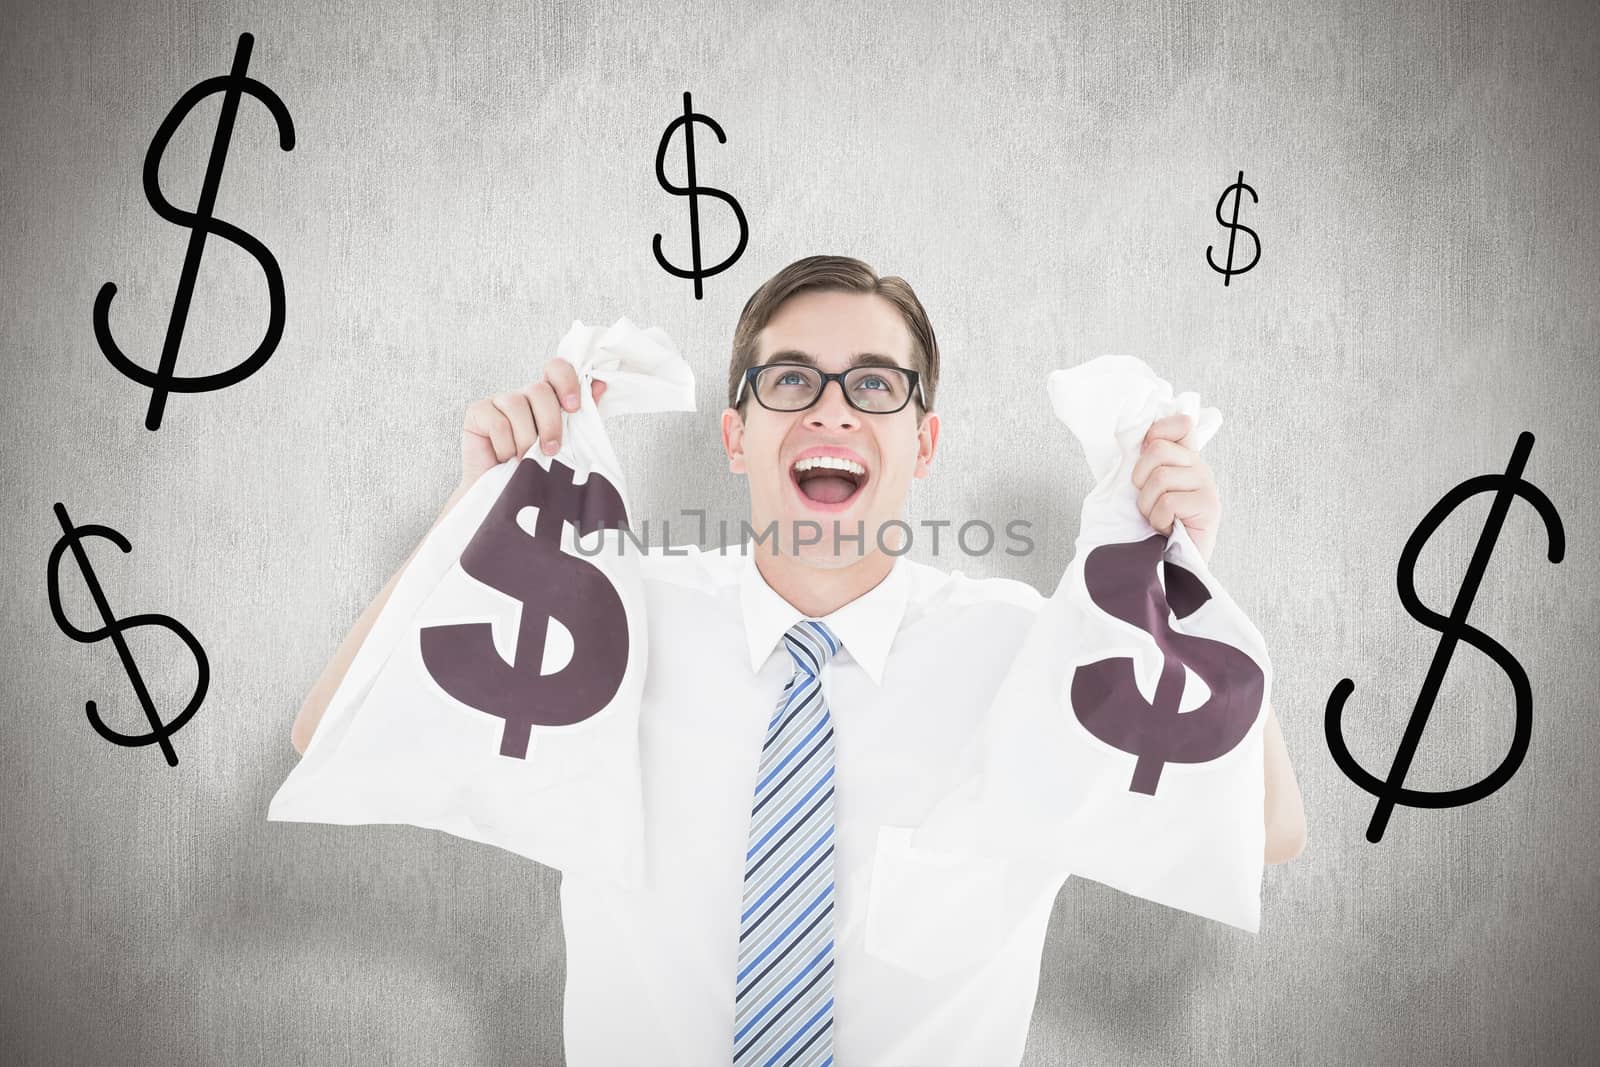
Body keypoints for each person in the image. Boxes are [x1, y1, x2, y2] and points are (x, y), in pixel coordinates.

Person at [290, 255, 1306, 1066]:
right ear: (735, 435)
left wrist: (1185, 581)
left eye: (874, 382)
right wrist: (472, 524)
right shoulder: (611, 619)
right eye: (790, 380)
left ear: (924, 440)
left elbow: (1263, 828)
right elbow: (325, 731)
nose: (832, 408)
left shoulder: (1022, 650)